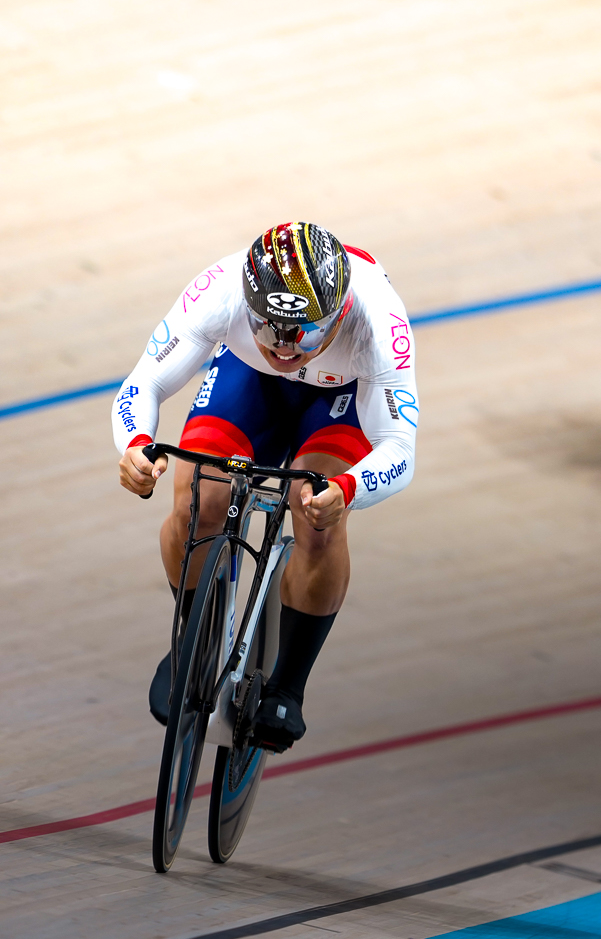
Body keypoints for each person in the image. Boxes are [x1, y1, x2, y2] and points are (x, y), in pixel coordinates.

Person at [112, 222, 419, 751]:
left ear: (340, 312)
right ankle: (194, 639)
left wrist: (345, 489)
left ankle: (288, 685)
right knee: (198, 500)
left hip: (338, 401)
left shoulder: (378, 320)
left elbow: (400, 447)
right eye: (269, 326)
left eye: (303, 332)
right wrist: (137, 444)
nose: (283, 345)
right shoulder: (220, 289)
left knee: (315, 512)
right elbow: (146, 381)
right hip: (247, 381)